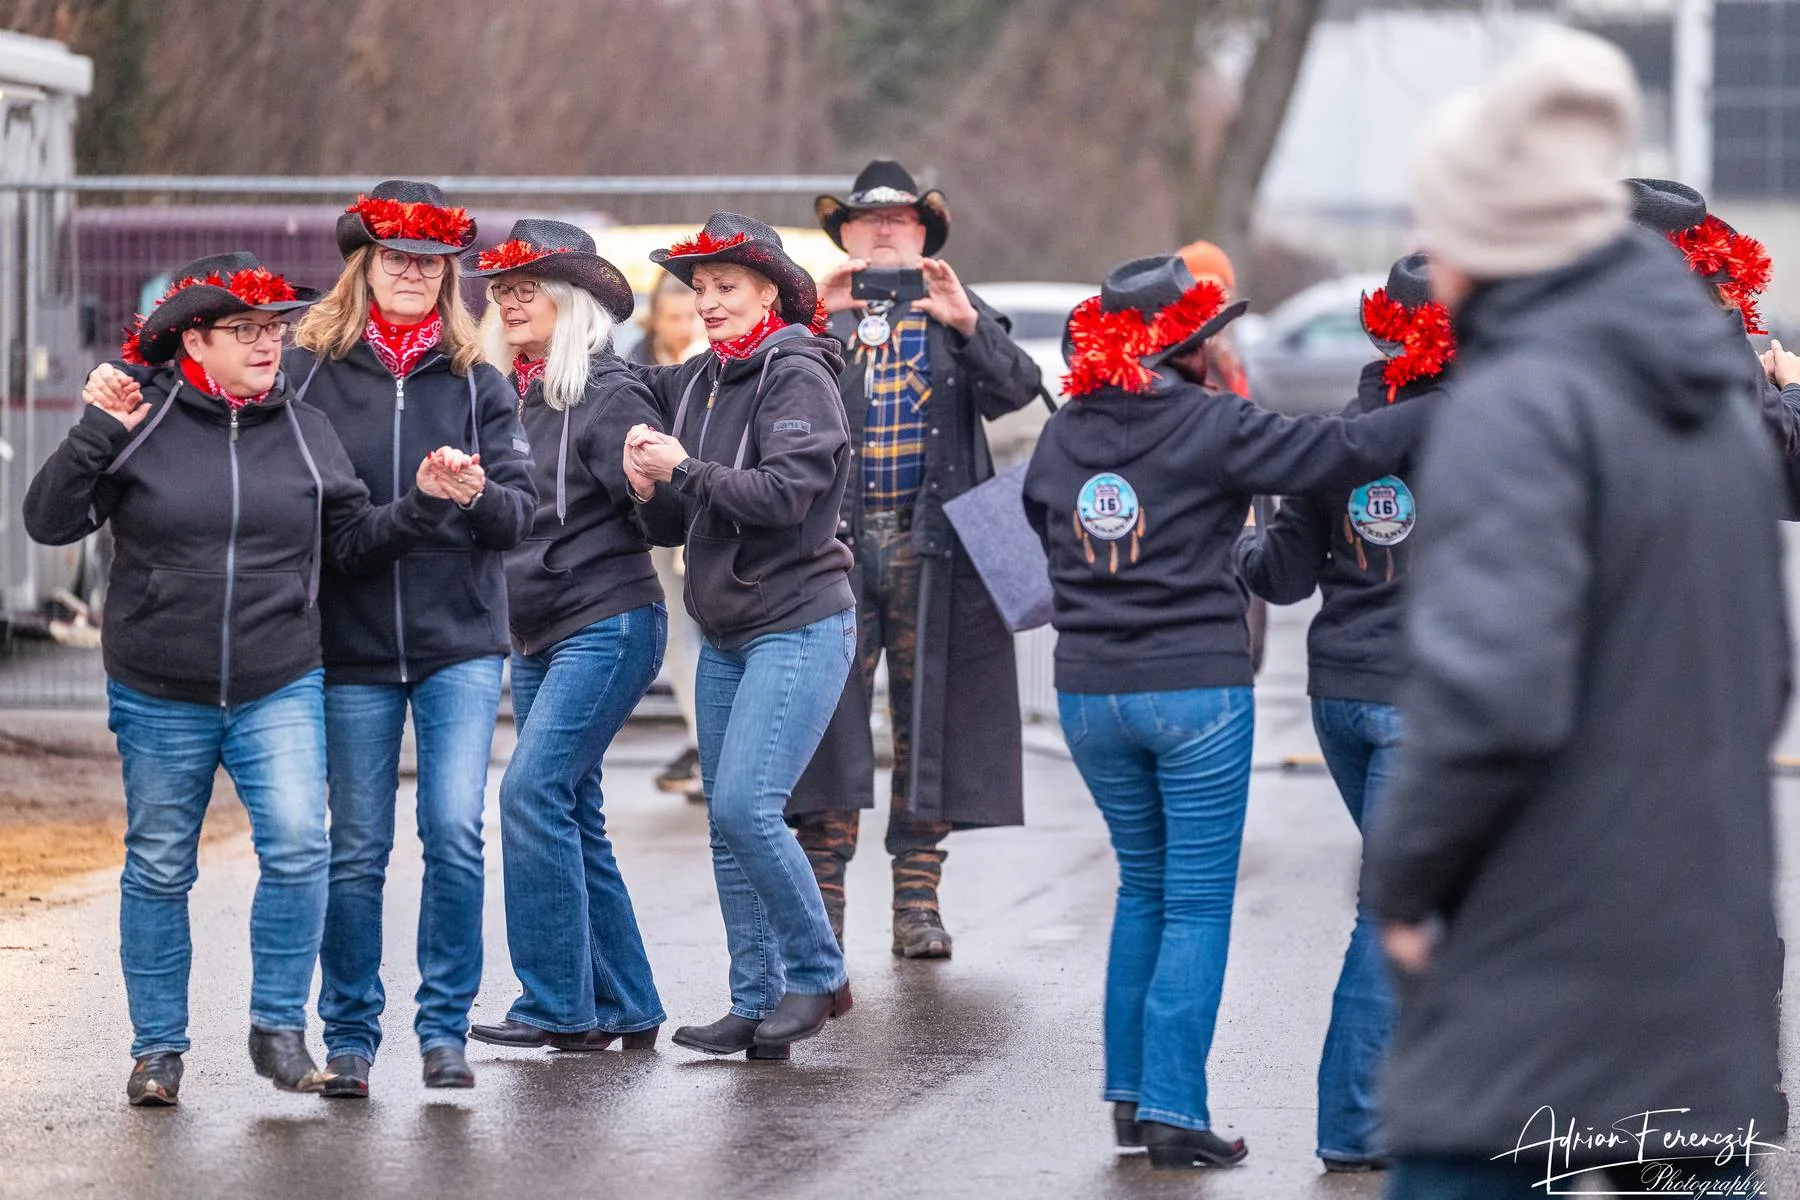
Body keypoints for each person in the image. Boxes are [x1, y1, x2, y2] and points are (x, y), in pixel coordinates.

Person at [1363, 31, 1788, 1197]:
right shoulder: (1718, 401)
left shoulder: (1519, 404)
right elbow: (1762, 675)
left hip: (1535, 959)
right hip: (1698, 942)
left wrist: (1405, 884)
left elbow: (1490, 693)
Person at [24, 253, 477, 1106]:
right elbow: (48, 522)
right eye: (246, 330)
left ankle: (277, 1029)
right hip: (161, 687)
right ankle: (158, 1051)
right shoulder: (141, 418)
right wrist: (94, 432)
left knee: (302, 848)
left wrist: (421, 504)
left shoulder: (306, 428)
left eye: (274, 329)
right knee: (160, 865)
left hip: (279, 680)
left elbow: (351, 543)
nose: (269, 343)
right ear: (195, 340)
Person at [1022, 254, 1425, 1169]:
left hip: (1086, 692)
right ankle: (1173, 1109)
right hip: (1192, 689)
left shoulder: (1064, 432)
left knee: (1143, 887)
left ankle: (1131, 1102)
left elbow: (1033, 544)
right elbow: (1343, 451)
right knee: (1197, 902)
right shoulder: (1213, 423)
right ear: (1191, 348)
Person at [283, 180, 533, 1096]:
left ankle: (443, 1031)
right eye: (397, 258)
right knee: (355, 845)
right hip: (348, 645)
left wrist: (473, 493)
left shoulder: (478, 382)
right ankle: (350, 1036)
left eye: (430, 263)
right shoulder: (306, 375)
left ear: (449, 276)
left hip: (458, 642)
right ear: (364, 265)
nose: (413, 274)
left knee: (454, 830)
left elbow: (518, 516)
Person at [1236, 252, 1453, 1174]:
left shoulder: (1335, 440)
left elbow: (1281, 578)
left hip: (1343, 696)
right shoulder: (1490, 432)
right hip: (1427, 702)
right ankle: (1357, 1123)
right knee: (1395, 904)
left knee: (1430, 897)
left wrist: (1243, 539)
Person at [796, 160, 1045, 957]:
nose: (882, 230)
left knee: (930, 716)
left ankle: (917, 902)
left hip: (933, 545)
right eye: (868, 220)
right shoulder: (813, 317)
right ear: (845, 235)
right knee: (824, 718)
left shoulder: (956, 309)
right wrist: (811, 317)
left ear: (923, 234)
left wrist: (967, 323)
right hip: (827, 551)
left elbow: (1020, 390)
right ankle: (822, 902)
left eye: (898, 220)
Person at [624, 213, 855, 1060]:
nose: (709, 302)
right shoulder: (703, 379)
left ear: (769, 294)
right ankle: (754, 1003)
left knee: (744, 807)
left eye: (727, 287)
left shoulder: (798, 374)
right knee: (728, 826)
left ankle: (819, 975)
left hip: (799, 621)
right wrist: (648, 487)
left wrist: (681, 468)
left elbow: (784, 496)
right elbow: (680, 516)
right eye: (700, 288)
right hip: (723, 625)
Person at [458, 220, 669, 1053]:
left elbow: (661, 516)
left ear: (571, 301)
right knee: (571, 809)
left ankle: (555, 1006)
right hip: (534, 628)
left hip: (606, 619)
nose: (510, 302)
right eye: (503, 290)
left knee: (531, 793)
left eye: (529, 289)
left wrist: (653, 483)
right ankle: (625, 1003)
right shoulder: (504, 393)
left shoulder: (609, 393)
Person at [630, 273, 708, 800]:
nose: (682, 327)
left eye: (690, 317)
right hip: (660, 515)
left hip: (706, 507)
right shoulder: (637, 362)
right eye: (673, 317)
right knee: (677, 632)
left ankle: (709, 741)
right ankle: (703, 738)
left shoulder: (711, 360)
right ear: (656, 319)